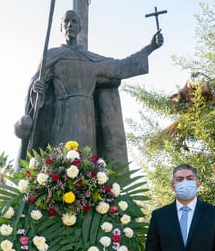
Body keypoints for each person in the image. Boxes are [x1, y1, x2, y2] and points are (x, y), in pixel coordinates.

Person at [15, 9, 163, 166]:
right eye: (66, 21)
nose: (70, 25)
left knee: (85, 162)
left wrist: (150, 48)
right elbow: (37, 84)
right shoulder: (52, 55)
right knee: (60, 161)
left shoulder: (91, 59)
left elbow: (120, 67)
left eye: (74, 21)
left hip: (86, 119)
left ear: (79, 28)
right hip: (61, 117)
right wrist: (36, 88)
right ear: (61, 27)